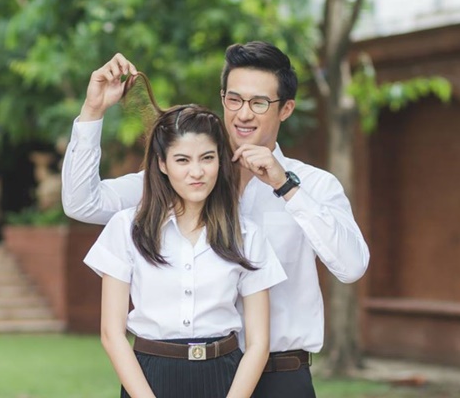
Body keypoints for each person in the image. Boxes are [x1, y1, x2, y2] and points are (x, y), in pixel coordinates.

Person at [63, 41, 370, 397]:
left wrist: (284, 185)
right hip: (201, 374)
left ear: (286, 108)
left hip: (279, 373)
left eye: (259, 103)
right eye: (234, 99)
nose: (243, 114)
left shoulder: (313, 185)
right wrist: (93, 110)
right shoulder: (182, 178)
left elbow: (352, 266)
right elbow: (82, 203)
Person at [82, 88, 287, 397]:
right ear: (162, 164)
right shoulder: (126, 228)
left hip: (225, 377)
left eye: (207, 158)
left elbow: (258, 343)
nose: (197, 172)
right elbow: (112, 334)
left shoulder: (247, 235)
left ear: (220, 161)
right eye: (182, 160)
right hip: (149, 377)